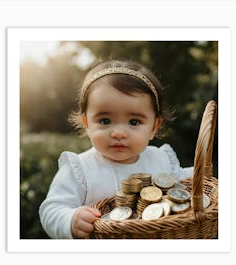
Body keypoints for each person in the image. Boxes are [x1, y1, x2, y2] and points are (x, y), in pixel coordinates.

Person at [39, 60, 193, 239]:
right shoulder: (80, 169)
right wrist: (70, 219)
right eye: (105, 121)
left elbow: (182, 184)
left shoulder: (160, 159)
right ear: (87, 123)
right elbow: (51, 209)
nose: (118, 133)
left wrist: (200, 174)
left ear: (154, 127)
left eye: (134, 122)